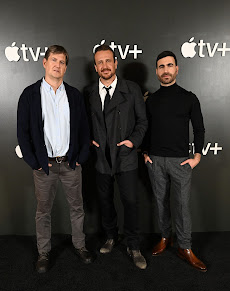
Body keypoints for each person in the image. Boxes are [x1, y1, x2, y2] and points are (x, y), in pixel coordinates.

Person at [17, 45, 94, 273]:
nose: (57, 65)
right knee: (43, 211)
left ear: (65, 67)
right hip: (44, 165)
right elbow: (23, 133)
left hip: (70, 163)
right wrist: (34, 162)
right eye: (54, 60)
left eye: (62, 62)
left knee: (77, 208)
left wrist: (81, 156)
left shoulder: (74, 95)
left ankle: (80, 246)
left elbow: (83, 130)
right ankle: (44, 253)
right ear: (44, 62)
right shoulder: (29, 94)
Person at [85, 44, 148, 269]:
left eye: (108, 60)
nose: (105, 65)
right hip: (101, 158)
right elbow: (83, 123)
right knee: (105, 201)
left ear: (115, 63)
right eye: (100, 62)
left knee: (130, 202)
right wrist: (88, 139)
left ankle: (134, 245)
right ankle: (111, 236)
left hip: (126, 156)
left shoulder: (132, 89)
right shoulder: (89, 93)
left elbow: (142, 122)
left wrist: (133, 141)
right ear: (95, 67)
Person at [143, 51, 207, 272]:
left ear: (177, 69)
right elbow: (145, 128)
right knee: (160, 203)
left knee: (182, 207)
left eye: (169, 65)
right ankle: (164, 237)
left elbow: (199, 129)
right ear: (157, 71)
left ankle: (185, 247)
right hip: (156, 161)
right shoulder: (150, 100)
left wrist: (197, 156)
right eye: (161, 66)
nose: (166, 70)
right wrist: (145, 153)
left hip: (181, 162)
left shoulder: (189, 98)